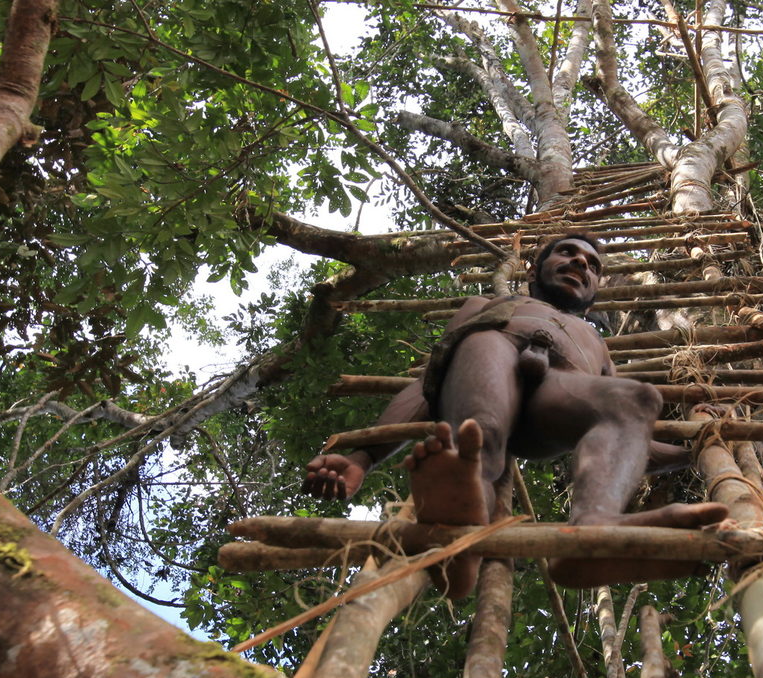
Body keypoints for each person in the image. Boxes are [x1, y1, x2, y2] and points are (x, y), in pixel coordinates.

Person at [303, 233, 727, 596]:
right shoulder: (484, 302)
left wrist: (693, 447)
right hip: (487, 371)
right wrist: (363, 457)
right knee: (479, 407)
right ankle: (465, 521)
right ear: (534, 272)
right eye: (567, 253)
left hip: (556, 399)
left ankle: (594, 530)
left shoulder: (596, 343)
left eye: (592, 264)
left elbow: (627, 436)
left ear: (595, 288)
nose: (580, 262)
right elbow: (430, 385)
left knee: (638, 398)